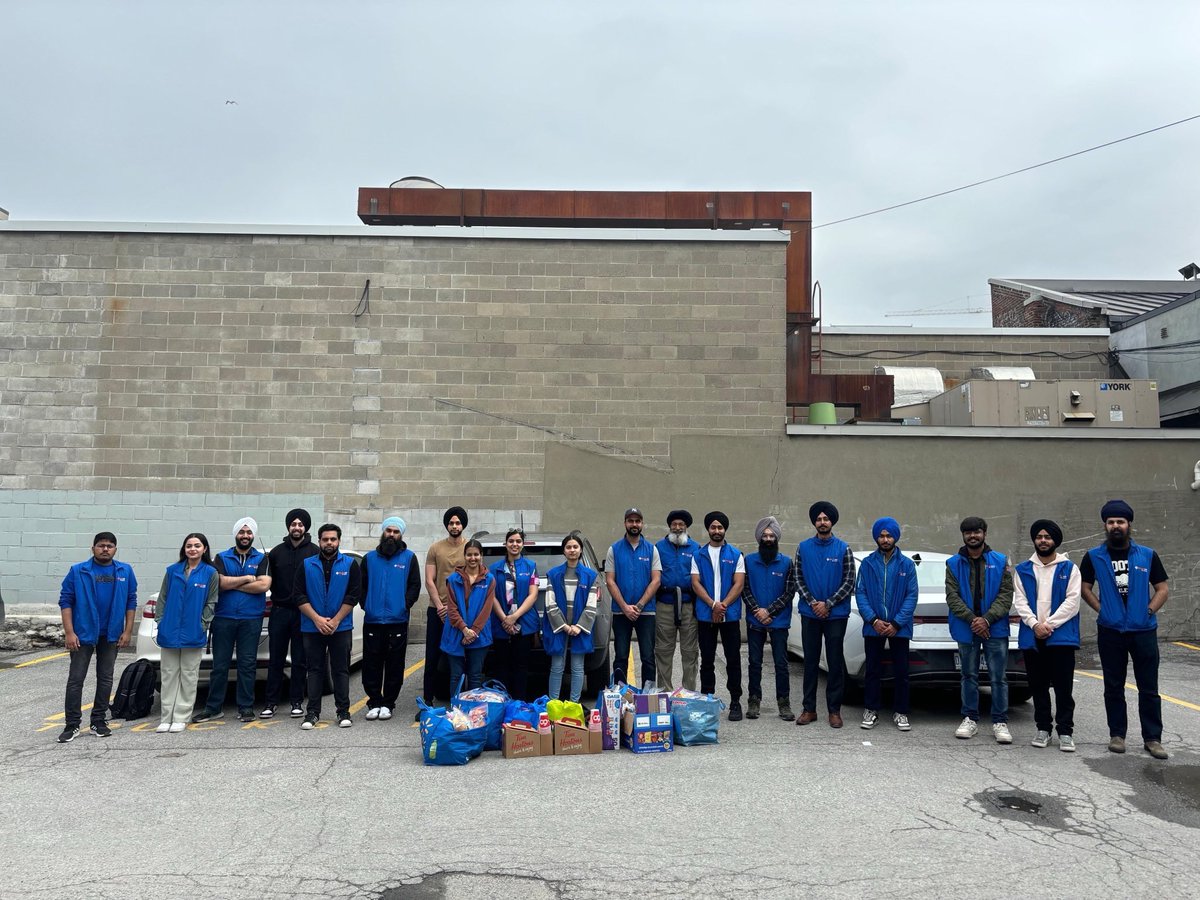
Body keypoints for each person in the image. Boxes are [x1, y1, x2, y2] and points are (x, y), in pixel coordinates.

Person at [1080, 500, 1170, 760]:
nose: (1115, 526)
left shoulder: (1147, 555)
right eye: (1111, 522)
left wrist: (1148, 611)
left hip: (1143, 631)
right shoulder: (1094, 556)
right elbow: (1085, 588)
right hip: (1111, 631)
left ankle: (1152, 738)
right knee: (1113, 685)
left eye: (1120, 522)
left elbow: (1162, 589)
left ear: (1129, 524)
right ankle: (1116, 734)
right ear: (1105, 526)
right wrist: (1103, 609)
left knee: (1149, 688)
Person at [57, 532, 139, 743]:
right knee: (76, 680)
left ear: (115, 549)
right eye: (101, 545)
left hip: (111, 634)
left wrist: (127, 630)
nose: (105, 549)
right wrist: (69, 632)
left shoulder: (125, 571)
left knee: (105, 678)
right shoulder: (78, 571)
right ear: (92, 548)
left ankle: (98, 721)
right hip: (82, 634)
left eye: (110, 546)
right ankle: (72, 724)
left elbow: (131, 602)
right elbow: (65, 601)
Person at [193, 517, 271, 724]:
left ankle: (246, 707)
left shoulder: (261, 559)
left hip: (251, 619)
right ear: (236, 534)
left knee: (247, 664)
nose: (245, 536)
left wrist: (232, 583)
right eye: (241, 532)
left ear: (253, 535)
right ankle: (213, 708)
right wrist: (247, 578)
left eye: (249, 532)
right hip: (224, 618)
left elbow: (263, 586)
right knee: (220, 665)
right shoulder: (221, 557)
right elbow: (218, 582)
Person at [1012, 519, 1081, 752]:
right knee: (1038, 686)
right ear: (1034, 540)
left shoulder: (1069, 568)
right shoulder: (1022, 569)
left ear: (1055, 541)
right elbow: (1019, 602)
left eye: (1047, 537)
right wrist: (1034, 625)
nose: (1043, 540)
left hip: (1061, 637)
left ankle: (1065, 732)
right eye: (1039, 537)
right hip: (1033, 637)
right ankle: (1043, 729)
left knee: (1063, 687)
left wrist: (1049, 624)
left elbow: (1073, 602)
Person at [946, 516, 1014, 744]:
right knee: (968, 676)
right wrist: (973, 620)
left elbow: (1006, 595)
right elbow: (952, 597)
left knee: (998, 677)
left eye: (976, 532)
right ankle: (969, 719)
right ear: (963, 535)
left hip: (995, 628)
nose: (972, 536)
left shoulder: (1001, 561)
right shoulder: (953, 563)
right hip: (966, 628)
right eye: (968, 532)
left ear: (985, 533)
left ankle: (1000, 721)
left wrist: (986, 620)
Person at [790, 500, 856, 728]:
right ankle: (809, 709)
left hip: (836, 615)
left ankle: (834, 711)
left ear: (831, 521)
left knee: (835, 662)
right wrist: (812, 602)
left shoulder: (843, 548)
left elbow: (849, 581)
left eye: (826, 518)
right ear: (814, 523)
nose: (822, 522)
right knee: (810, 662)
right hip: (810, 613)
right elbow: (798, 577)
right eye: (818, 519)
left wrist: (828, 604)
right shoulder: (803, 547)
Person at [297, 523, 362, 730]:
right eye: (325, 539)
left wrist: (335, 621)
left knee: (340, 670)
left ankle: (343, 711)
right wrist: (317, 619)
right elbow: (298, 595)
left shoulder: (350, 565)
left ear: (339, 541)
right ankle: (312, 713)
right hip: (312, 627)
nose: (329, 543)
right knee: (314, 670)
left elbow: (353, 595)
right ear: (319, 541)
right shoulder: (306, 565)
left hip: (340, 627)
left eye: (333, 539)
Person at [857, 517, 919, 732]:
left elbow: (911, 596)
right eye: (881, 536)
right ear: (876, 537)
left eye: (889, 535)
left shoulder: (907, 565)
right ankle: (871, 709)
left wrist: (896, 623)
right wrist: (873, 620)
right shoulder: (867, 563)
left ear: (895, 537)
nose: (885, 539)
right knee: (872, 670)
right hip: (873, 626)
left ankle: (901, 712)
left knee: (901, 671)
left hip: (899, 628)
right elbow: (861, 592)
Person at [155, 533, 219, 734]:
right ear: (184, 549)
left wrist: (203, 623)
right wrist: (160, 621)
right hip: (169, 630)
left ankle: (181, 716)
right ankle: (166, 717)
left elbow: (211, 601)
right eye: (189, 545)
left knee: (189, 675)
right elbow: (163, 598)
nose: (192, 549)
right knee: (168, 674)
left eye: (197, 545)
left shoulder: (210, 573)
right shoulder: (172, 571)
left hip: (193, 630)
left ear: (204, 549)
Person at [361, 516, 422, 721]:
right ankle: (374, 702)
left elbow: (415, 585)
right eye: (389, 531)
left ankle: (388, 703)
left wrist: (404, 605)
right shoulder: (369, 559)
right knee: (372, 663)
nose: (391, 535)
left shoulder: (409, 558)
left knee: (395, 663)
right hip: (373, 620)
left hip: (398, 620)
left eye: (396, 532)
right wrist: (366, 605)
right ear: (383, 532)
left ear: (401, 535)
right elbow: (361, 586)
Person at [263, 508, 319, 719]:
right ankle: (271, 702)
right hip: (279, 612)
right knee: (275, 659)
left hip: (304, 613)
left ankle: (297, 701)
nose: (297, 527)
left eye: (300, 524)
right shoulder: (276, 553)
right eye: (293, 524)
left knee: (299, 659)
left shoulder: (314, 551)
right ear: (288, 527)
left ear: (306, 527)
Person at [691, 511, 747, 721]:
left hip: (729, 615)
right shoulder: (698, 555)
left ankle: (735, 701)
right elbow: (695, 583)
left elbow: (739, 584)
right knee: (707, 660)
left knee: (733, 659)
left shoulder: (735, 554)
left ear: (725, 529)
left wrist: (722, 606)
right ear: (708, 529)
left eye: (720, 527)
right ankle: (708, 699)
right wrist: (712, 605)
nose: (716, 530)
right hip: (706, 615)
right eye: (713, 527)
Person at [742, 516, 794, 721]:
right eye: (765, 535)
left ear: (777, 538)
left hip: (779, 622)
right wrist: (757, 611)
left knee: (781, 664)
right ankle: (754, 700)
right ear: (759, 538)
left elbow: (789, 591)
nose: (768, 538)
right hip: (755, 621)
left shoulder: (787, 562)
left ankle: (784, 702)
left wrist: (769, 612)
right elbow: (744, 589)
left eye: (772, 535)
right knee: (754, 662)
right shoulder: (748, 561)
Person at [605, 508, 662, 687]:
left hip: (646, 612)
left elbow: (656, 580)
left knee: (648, 656)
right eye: (631, 521)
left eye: (638, 521)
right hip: (621, 612)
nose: (634, 524)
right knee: (621, 656)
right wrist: (625, 607)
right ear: (625, 524)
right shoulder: (614, 549)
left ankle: (648, 696)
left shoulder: (652, 550)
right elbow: (610, 581)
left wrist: (639, 605)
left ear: (642, 524)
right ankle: (621, 697)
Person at [421, 506, 468, 718]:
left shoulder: (470, 548)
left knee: (458, 658)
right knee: (432, 656)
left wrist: (453, 609)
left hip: (460, 613)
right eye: (451, 523)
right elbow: (429, 580)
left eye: (458, 523)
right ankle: (427, 701)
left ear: (463, 525)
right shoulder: (435, 548)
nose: (454, 526)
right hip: (437, 611)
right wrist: (440, 606)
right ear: (447, 525)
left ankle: (459, 701)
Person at [544, 532, 600, 703]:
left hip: (579, 628)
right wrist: (564, 626)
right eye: (568, 547)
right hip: (558, 627)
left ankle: (573, 705)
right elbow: (549, 603)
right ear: (564, 551)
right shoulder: (553, 574)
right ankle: (553, 704)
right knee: (557, 667)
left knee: (577, 668)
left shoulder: (590, 576)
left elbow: (592, 604)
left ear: (581, 550)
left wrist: (578, 626)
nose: (572, 550)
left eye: (575, 547)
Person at [488, 528, 540, 701]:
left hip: (524, 624)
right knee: (501, 667)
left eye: (518, 541)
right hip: (500, 623)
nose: (514, 544)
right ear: (506, 543)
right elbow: (492, 596)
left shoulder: (531, 566)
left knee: (521, 667)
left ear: (522, 544)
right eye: (511, 541)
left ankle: (519, 703)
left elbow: (533, 595)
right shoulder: (494, 568)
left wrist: (514, 616)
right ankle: (502, 703)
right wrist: (505, 618)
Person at [654, 510, 701, 691]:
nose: (678, 527)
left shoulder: (695, 548)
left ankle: (688, 693)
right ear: (669, 526)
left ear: (686, 526)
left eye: (681, 524)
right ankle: (664, 692)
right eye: (674, 524)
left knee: (690, 652)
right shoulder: (658, 547)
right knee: (663, 651)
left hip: (689, 605)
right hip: (665, 604)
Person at [441, 539, 495, 691]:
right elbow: (452, 609)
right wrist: (464, 629)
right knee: (456, 675)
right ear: (464, 556)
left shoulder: (489, 579)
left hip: (479, 635)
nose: (473, 558)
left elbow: (487, 609)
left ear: (481, 556)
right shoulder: (453, 579)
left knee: (475, 675)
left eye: (476, 554)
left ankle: (473, 713)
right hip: (455, 633)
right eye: (469, 555)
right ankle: (455, 711)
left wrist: (474, 632)